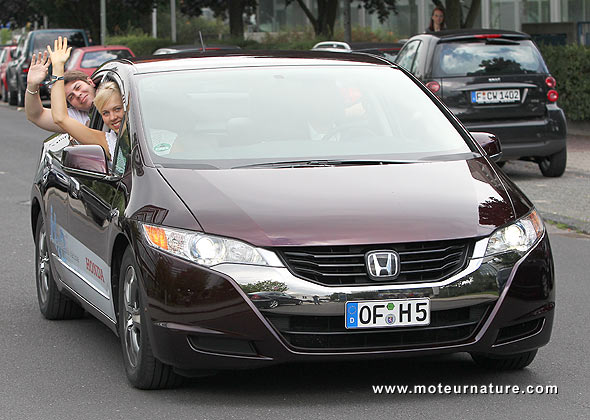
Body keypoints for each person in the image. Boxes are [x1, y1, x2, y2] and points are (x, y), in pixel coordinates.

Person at [47, 36, 123, 159]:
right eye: (105, 113)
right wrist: (57, 68)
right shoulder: (109, 141)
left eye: (117, 109)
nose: (113, 117)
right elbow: (60, 118)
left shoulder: (159, 136)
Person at [25, 51, 96, 132]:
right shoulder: (77, 117)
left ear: (90, 82)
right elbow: (36, 116)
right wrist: (32, 85)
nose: (77, 95)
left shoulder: (111, 92)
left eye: (78, 87)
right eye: (71, 97)